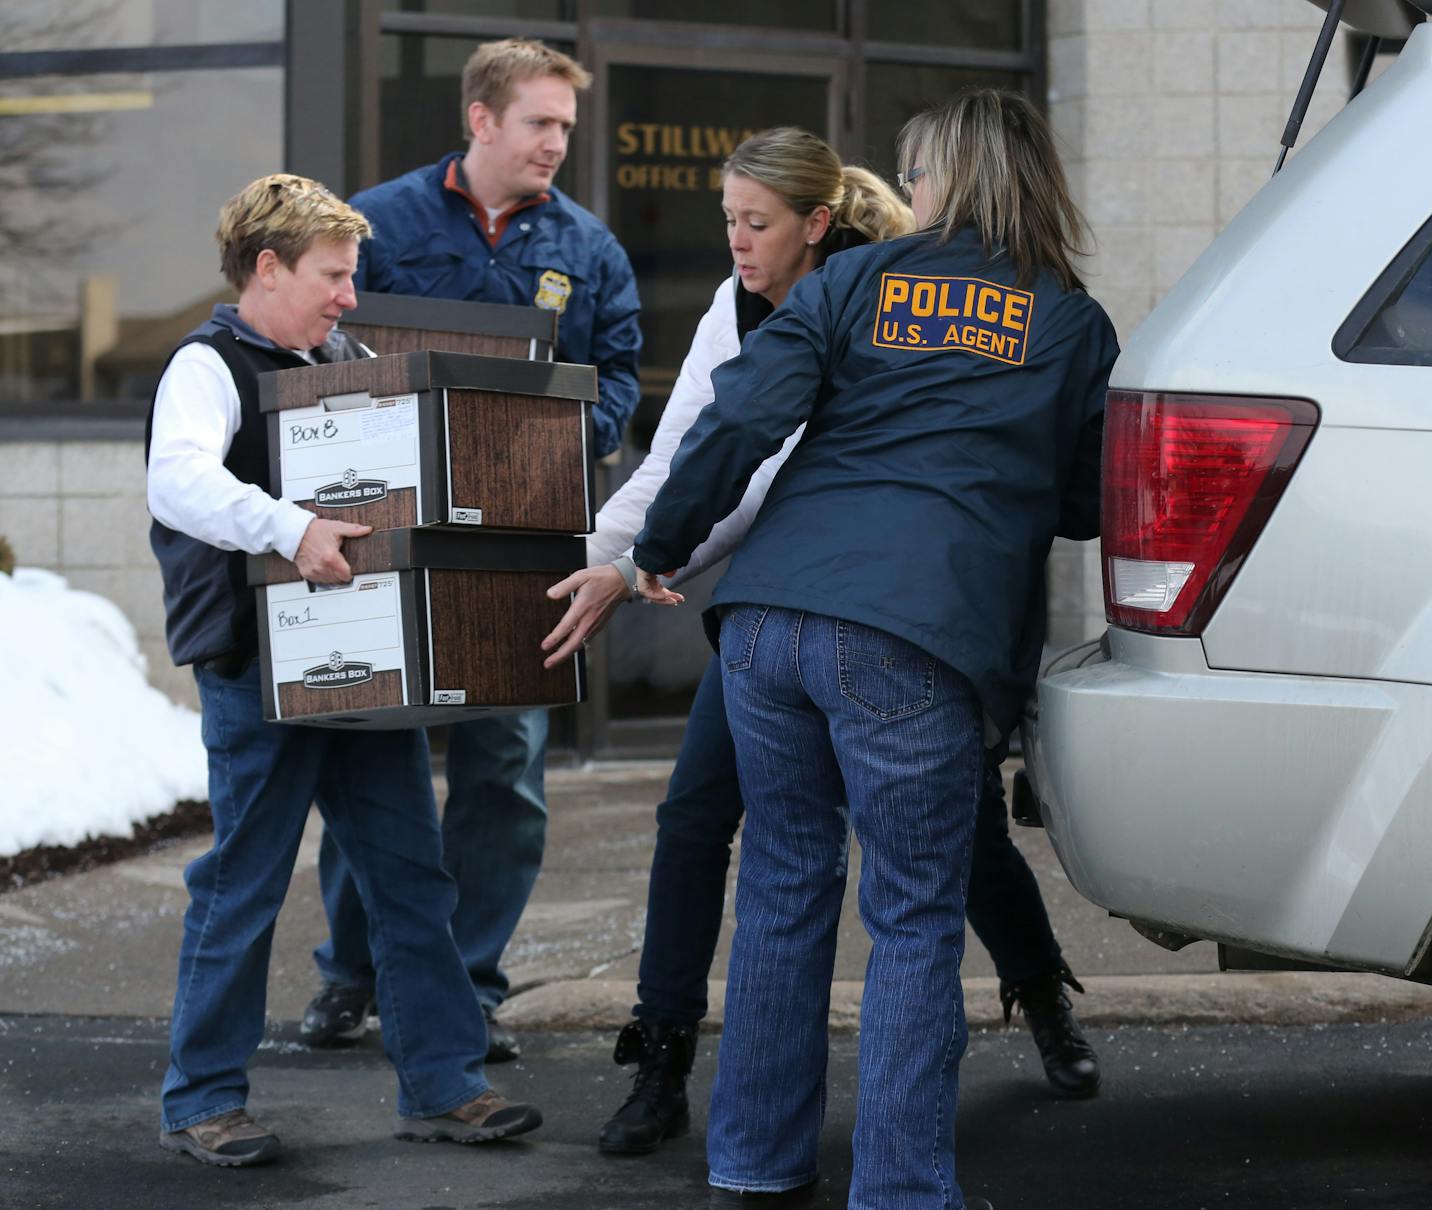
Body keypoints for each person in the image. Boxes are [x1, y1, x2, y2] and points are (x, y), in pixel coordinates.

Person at [544, 125, 1099, 1160]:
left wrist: (655, 556)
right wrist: (632, 557)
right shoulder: (1066, 315)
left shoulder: (856, 283)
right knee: (905, 906)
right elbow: (1083, 495)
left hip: (771, 613)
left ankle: (757, 1156)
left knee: (794, 889)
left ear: (817, 220)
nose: (737, 242)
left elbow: (733, 432)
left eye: (754, 223)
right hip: (908, 624)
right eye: (728, 222)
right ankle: (874, 1173)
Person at [146, 173, 542, 1168]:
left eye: (353, 275)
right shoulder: (205, 366)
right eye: (333, 274)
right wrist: (294, 529)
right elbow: (180, 479)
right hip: (257, 671)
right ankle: (202, 1100)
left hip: (369, 666)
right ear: (268, 269)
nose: (349, 296)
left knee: (410, 874)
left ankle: (444, 1085)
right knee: (244, 882)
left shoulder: (341, 356)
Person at [301, 38, 642, 1062]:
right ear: (481, 119)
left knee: (507, 767)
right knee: (374, 755)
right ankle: (353, 974)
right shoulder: (377, 224)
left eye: (566, 129)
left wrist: (556, 443)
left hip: (527, 542)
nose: (556, 144)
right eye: (540, 122)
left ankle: (470, 980)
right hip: (391, 533)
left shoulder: (587, 249)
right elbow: (327, 348)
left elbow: (617, 373)